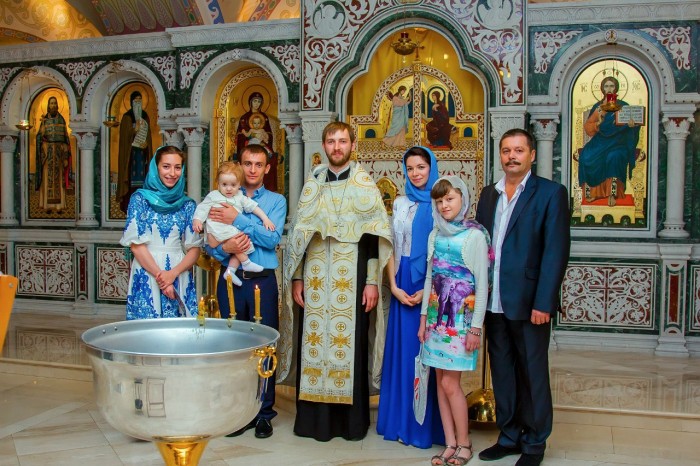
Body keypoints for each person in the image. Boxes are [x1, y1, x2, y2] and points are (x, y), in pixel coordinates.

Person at [282, 121, 393, 441]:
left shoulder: (364, 184)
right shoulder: (312, 185)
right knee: (313, 344)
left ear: (352, 145)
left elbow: (373, 238)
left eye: (342, 141)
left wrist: (371, 281)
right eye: (331, 141)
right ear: (324, 146)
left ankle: (350, 424)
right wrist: (298, 277)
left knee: (350, 344)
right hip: (315, 278)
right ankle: (312, 422)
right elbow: (300, 236)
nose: (337, 147)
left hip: (352, 276)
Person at [475, 129, 570, 466]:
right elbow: (480, 244)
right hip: (494, 302)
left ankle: (534, 442)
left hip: (530, 303)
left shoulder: (550, 193)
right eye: (506, 150)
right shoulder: (489, 194)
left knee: (532, 373)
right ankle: (509, 435)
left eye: (518, 150)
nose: (511, 156)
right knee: (502, 371)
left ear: (532, 155)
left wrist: (544, 302)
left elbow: (555, 252)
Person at [206, 143, 287, 439]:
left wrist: (237, 220)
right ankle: (238, 411)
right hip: (230, 279)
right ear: (239, 165)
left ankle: (264, 413)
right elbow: (209, 240)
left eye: (258, 164)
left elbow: (271, 239)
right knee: (232, 346)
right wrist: (223, 247)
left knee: (265, 345)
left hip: (261, 280)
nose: (252, 169)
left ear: (267, 168)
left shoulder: (276, 201)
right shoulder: (220, 196)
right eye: (247, 163)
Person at [418, 176, 490, 466]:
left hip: (461, 322)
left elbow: (482, 285)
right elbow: (429, 278)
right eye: (439, 201)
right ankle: (449, 443)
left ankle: (465, 444)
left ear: (463, 198)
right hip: (436, 320)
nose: (444, 205)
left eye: (450, 199)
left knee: (451, 384)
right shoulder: (435, 234)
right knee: (439, 381)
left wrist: (476, 328)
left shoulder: (474, 236)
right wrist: (423, 319)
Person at [376, 146, 444, 448]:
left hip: (431, 283)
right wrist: (393, 285)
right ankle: (399, 422)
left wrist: (428, 291)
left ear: (432, 168)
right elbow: (391, 245)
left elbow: (445, 249)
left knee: (426, 354)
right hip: (402, 280)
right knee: (403, 353)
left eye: (421, 167)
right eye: (410, 168)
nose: (416, 174)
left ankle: (425, 427)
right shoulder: (400, 203)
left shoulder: (442, 201)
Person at [120, 145, 202, 320]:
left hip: (178, 271)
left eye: (177, 167)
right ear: (155, 168)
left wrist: (172, 274)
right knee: (147, 330)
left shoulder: (188, 205)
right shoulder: (139, 199)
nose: (172, 173)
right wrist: (163, 280)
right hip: (147, 271)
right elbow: (136, 246)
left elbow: (195, 249)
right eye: (166, 166)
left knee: (180, 331)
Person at [192, 161, 275, 285]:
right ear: (218, 183)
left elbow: (253, 207)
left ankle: (230, 271)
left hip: (229, 231)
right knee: (240, 243)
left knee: (239, 244)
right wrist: (197, 220)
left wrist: (265, 219)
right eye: (224, 184)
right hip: (217, 230)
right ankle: (246, 263)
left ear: (239, 184)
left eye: (233, 185)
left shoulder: (240, 197)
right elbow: (202, 208)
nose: (229, 188)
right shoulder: (213, 196)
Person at [578, 76, 641, 207]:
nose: (609, 89)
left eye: (611, 86)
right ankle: (593, 193)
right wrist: (597, 124)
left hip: (618, 142)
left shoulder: (623, 106)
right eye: (606, 86)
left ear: (616, 88)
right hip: (600, 141)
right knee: (586, 156)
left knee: (614, 156)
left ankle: (612, 193)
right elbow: (588, 127)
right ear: (602, 89)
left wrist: (632, 125)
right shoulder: (599, 107)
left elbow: (634, 122)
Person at [234, 92, 278, 192]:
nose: (257, 104)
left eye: (259, 102)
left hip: (262, 146)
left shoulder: (264, 117)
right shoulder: (244, 118)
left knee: (271, 159)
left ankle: (268, 188)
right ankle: (244, 188)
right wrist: (252, 136)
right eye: (255, 101)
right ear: (250, 102)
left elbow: (269, 134)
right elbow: (240, 135)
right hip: (247, 147)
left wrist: (264, 138)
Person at [35, 96, 71, 213]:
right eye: (51, 103)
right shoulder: (44, 120)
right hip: (47, 155)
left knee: (59, 180)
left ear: (57, 106)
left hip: (59, 156)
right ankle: (47, 206)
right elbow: (39, 138)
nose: (53, 105)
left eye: (55, 103)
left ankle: (59, 206)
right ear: (48, 106)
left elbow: (65, 140)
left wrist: (65, 157)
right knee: (47, 180)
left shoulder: (61, 120)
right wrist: (42, 134)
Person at [118, 90, 153, 212]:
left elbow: (148, 137)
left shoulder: (145, 116)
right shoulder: (127, 117)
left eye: (140, 100)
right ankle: (130, 205)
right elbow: (124, 138)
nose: (138, 102)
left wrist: (146, 145)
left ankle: (143, 205)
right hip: (131, 155)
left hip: (142, 154)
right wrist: (134, 130)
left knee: (143, 180)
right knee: (131, 180)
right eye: (135, 100)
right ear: (131, 102)